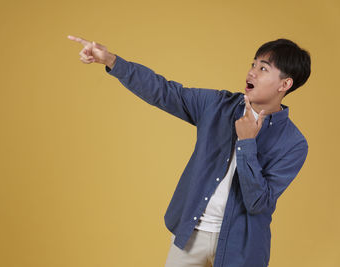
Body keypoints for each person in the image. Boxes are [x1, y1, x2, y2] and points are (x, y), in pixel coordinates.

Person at [68, 35, 311, 267]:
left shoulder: (293, 144)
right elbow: (164, 92)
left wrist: (247, 144)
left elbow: (259, 203)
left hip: (242, 247)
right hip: (190, 235)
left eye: (263, 68)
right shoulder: (216, 105)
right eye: (253, 64)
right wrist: (111, 60)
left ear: (285, 84)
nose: (251, 72)